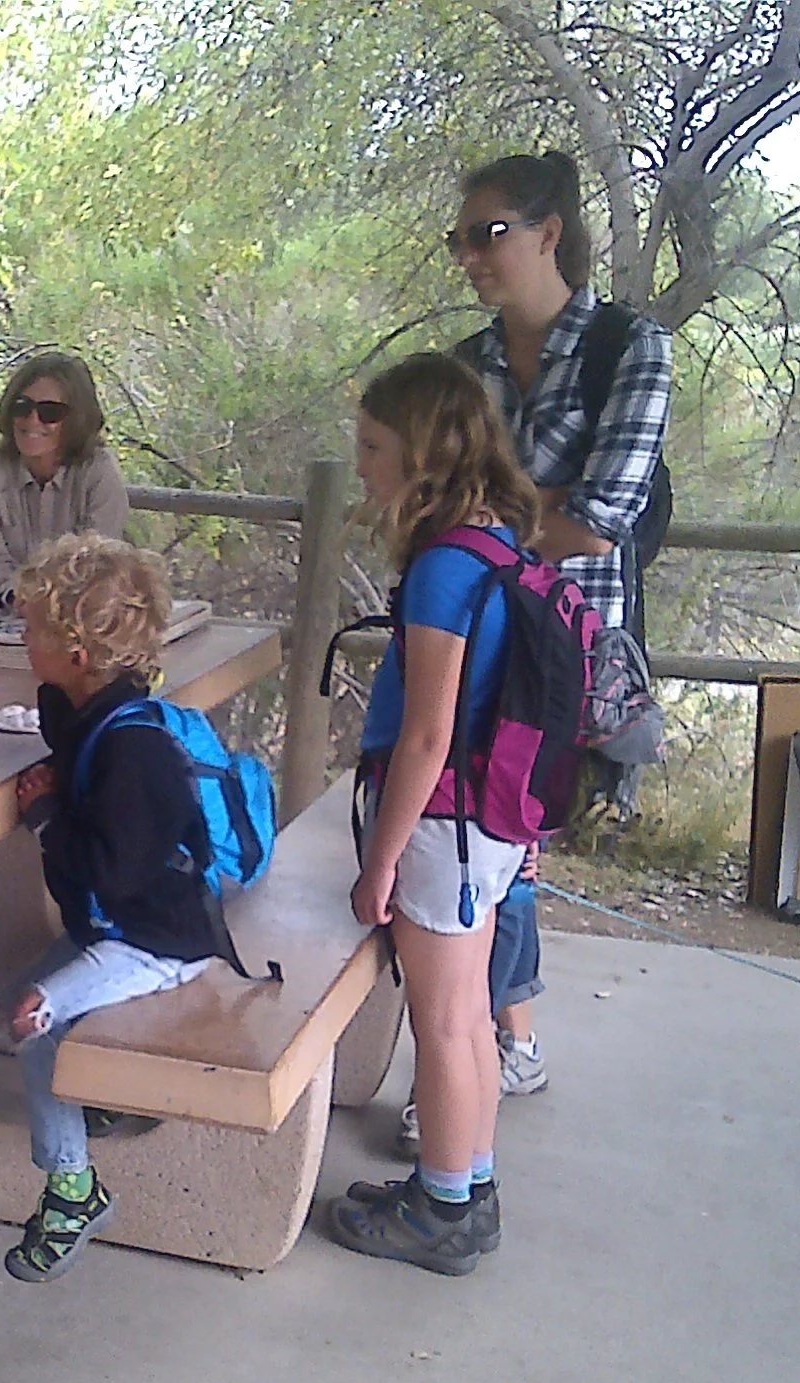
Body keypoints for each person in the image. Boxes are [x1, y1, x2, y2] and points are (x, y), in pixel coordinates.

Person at [395, 149, 672, 1134]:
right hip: (471, 639)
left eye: (488, 234)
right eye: (459, 239)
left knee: (501, 845)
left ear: (549, 233)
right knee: (476, 843)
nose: (469, 256)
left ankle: (474, 1061)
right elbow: (436, 504)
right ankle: (490, 1048)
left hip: (559, 653)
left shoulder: (630, 350)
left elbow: (601, 517)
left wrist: (492, 518)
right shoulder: (464, 363)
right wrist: (526, 510)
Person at [326, 353, 542, 1276]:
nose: (363, 464)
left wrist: (379, 859)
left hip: (442, 824)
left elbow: (426, 735)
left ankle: (443, 1211)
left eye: (375, 447)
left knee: (445, 1021)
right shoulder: (500, 545)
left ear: (423, 455)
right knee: (469, 1012)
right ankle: (464, 1187)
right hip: (485, 822)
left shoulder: (445, 569)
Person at [0, 533, 225, 1283]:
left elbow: (113, 871)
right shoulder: (88, 711)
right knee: (9, 998)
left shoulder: (134, 751)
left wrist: (44, 818)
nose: (21, 636)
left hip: (158, 940)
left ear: (77, 653)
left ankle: (72, 1189)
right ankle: (92, 1099)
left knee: (31, 1015)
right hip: (120, 925)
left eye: (32, 628)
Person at [0, 352, 129, 604]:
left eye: (50, 412)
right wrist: (20, 600)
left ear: (76, 419)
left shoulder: (99, 471)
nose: (32, 420)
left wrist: (47, 606)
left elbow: (98, 566)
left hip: (82, 609)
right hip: (12, 605)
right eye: (22, 407)